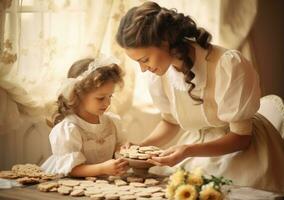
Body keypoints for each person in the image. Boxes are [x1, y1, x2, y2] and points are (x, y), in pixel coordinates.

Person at [116, 1, 284, 192]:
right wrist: (139, 148)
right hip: (199, 151)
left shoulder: (228, 65)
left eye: (144, 60)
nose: (143, 69)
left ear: (165, 41)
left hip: (245, 155)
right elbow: (170, 122)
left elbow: (241, 138)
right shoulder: (160, 76)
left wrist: (187, 150)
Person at [41, 56, 129, 177]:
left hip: (100, 182)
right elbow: (72, 170)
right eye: (101, 98)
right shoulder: (69, 129)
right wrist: (102, 169)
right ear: (78, 94)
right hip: (70, 181)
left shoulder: (112, 122)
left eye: (110, 96)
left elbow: (118, 147)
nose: (108, 103)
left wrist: (123, 150)